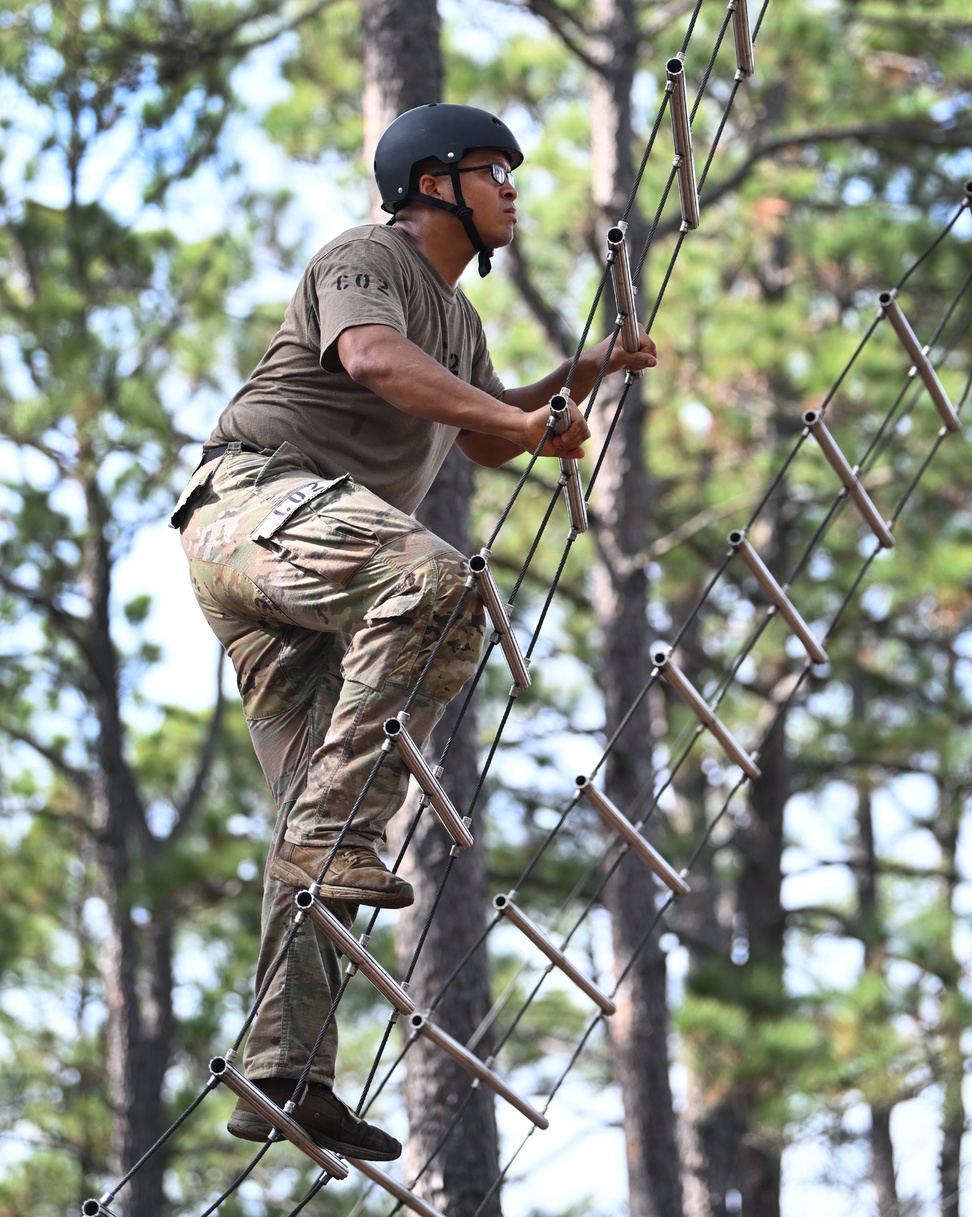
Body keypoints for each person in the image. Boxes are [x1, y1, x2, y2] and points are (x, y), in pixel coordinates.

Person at [170, 102, 657, 1162]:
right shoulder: (365, 256)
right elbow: (376, 364)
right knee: (436, 584)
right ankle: (335, 838)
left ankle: (283, 1068)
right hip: (253, 506)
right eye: (494, 171)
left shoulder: (461, 325)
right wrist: (520, 422)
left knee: (322, 805)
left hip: (307, 557)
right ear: (432, 182)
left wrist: (572, 387)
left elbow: (482, 434)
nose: (513, 190)